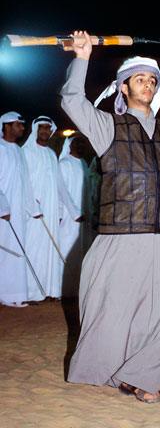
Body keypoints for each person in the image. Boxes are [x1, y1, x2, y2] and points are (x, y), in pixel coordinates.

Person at [60, 31, 160, 403]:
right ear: (123, 88)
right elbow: (72, 100)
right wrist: (82, 56)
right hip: (119, 237)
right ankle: (117, 371)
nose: (147, 84)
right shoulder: (107, 126)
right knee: (110, 310)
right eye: (140, 79)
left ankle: (146, 378)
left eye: (152, 80)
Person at [22, 116, 81, 302]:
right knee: (33, 249)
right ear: (35, 130)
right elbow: (23, 183)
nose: (45, 131)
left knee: (49, 251)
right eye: (42, 128)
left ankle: (48, 291)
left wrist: (62, 211)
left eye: (48, 128)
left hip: (51, 210)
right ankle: (31, 292)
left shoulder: (51, 154)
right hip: (32, 211)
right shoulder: (26, 152)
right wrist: (32, 207)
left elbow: (60, 186)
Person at [0, 112, 41, 307]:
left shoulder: (18, 150)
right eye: (18, 125)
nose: (22, 128)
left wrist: (33, 209)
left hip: (16, 212)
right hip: (3, 212)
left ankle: (15, 294)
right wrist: (3, 207)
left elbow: (26, 183)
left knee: (17, 252)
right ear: (6, 126)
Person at [59, 133, 93, 297]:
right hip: (69, 216)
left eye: (83, 142)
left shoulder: (84, 164)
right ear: (70, 145)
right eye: (77, 142)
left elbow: (88, 191)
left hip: (84, 217)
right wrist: (75, 213)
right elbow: (62, 191)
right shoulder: (64, 164)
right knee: (67, 250)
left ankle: (76, 288)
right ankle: (63, 289)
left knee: (81, 253)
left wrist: (89, 211)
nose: (80, 145)